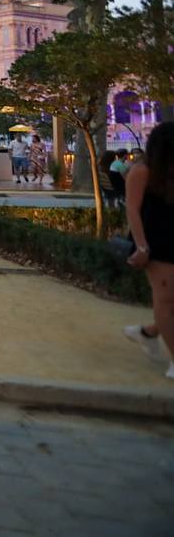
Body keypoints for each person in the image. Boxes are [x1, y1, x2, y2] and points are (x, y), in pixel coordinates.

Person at [122, 122, 174, 380]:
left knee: (170, 299)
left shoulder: (168, 174)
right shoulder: (142, 171)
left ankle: (148, 333)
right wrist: (142, 246)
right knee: (165, 298)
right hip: (153, 242)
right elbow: (132, 209)